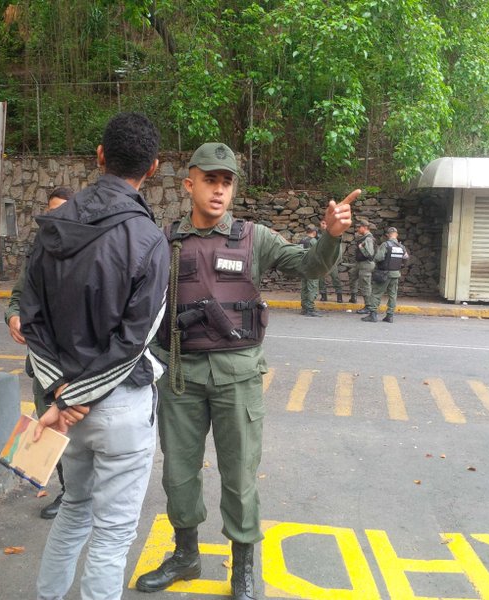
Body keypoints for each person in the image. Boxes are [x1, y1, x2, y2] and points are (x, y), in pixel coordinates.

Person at [134, 141, 359, 600]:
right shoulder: (165, 240)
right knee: (178, 473)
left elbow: (310, 267)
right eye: (210, 180)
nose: (218, 190)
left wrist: (332, 236)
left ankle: (242, 568)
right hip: (180, 376)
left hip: (238, 379)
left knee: (239, 476)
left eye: (226, 182)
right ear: (189, 182)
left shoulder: (256, 238)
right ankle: (186, 555)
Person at [20, 112, 170, 600]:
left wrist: (61, 396)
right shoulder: (149, 239)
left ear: (100, 155)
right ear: (153, 167)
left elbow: (29, 318)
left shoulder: (52, 226)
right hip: (118, 406)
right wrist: (76, 396)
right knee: (112, 535)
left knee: (73, 511)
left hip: (65, 408)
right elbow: (136, 338)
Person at [4, 186, 74, 520]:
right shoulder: (37, 255)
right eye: (51, 211)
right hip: (43, 367)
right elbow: (17, 298)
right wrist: (13, 317)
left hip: (78, 367)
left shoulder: (88, 253)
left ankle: (84, 495)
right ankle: (68, 493)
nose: (55, 218)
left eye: (62, 210)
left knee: (82, 435)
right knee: (51, 432)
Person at [361, 226, 409, 323]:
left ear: (387, 235)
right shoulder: (401, 247)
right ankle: (390, 316)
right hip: (396, 274)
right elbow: (406, 258)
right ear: (397, 235)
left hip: (384, 273)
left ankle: (373, 314)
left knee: (376, 293)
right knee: (393, 295)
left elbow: (379, 257)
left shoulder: (386, 245)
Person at [348, 220, 375, 311]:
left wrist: (361, 248)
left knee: (365, 284)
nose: (357, 229)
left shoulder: (368, 239)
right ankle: (353, 296)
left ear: (365, 227)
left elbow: (370, 254)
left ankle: (368, 305)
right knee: (352, 274)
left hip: (366, 264)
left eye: (359, 227)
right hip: (360, 263)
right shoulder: (363, 237)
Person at [318, 219, 344, 303]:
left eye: (326, 223)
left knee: (335, 278)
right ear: (320, 225)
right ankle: (323, 295)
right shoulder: (318, 235)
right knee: (321, 279)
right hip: (321, 261)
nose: (324, 225)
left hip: (331, 261)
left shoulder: (333, 234)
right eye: (322, 223)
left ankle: (339, 296)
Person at [300, 224, 321, 317]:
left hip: (303, 266)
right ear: (314, 232)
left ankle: (304, 307)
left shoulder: (302, 240)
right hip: (312, 267)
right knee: (312, 287)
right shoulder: (313, 241)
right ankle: (310, 308)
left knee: (304, 287)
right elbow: (317, 254)